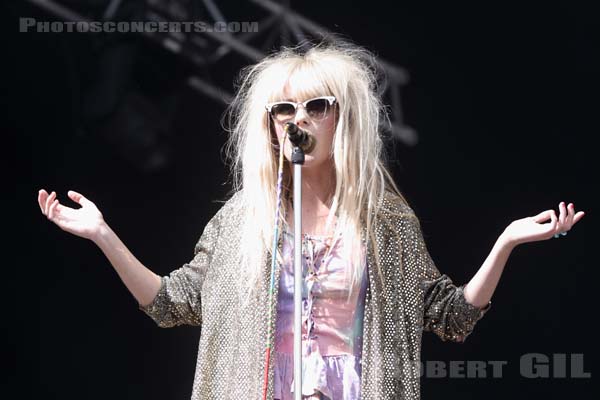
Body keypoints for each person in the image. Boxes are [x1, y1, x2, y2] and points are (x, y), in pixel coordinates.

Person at [37, 39, 585, 400]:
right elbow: (171, 303)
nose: (298, 120)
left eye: (317, 106)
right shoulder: (242, 222)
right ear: (270, 124)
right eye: (284, 109)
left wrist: (507, 242)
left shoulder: (384, 221)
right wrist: (102, 235)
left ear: (342, 118)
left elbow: (450, 317)